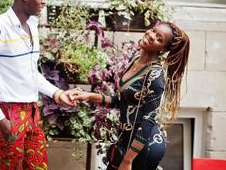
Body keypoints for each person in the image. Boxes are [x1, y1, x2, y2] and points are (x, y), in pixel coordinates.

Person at [0, 0, 76, 169]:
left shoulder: (32, 26)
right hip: (7, 112)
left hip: (32, 111)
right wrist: (0, 119)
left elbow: (29, 73)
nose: (44, 1)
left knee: (38, 167)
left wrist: (57, 92)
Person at [73, 22, 190, 170]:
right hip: (125, 140)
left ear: (164, 49)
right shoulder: (134, 60)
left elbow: (148, 120)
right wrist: (89, 96)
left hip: (144, 146)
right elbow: (121, 102)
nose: (151, 35)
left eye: (159, 38)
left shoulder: (155, 77)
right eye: (153, 30)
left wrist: (128, 160)